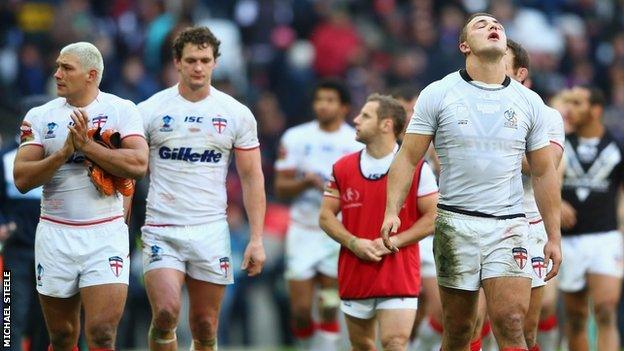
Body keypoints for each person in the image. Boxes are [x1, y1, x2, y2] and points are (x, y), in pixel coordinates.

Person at [381, 13, 562, 351]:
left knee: (511, 323)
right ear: (464, 45)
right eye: (481, 25)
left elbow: (543, 172)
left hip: (509, 225)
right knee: (461, 329)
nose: (493, 27)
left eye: (498, 26)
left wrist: (553, 235)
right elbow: (407, 157)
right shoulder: (438, 93)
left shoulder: (529, 102)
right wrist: (392, 209)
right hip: (455, 222)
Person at [13, 42, 149, 351]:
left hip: (105, 232)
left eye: (66, 68)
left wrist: (88, 148)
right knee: (61, 336)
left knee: (101, 332)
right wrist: (63, 153)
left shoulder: (121, 110)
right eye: (58, 66)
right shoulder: (39, 116)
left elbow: (139, 165)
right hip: (55, 231)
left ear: (91, 75)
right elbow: (22, 178)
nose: (57, 73)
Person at [138, 26, 266, 351]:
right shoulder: (149, 110)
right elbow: (129, 172)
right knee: (166, 313)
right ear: (177, 62)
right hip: (161, 228)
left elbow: (252, 177)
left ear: (215, 63)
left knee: (205, 326)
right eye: (191, 60)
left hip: (210, 229)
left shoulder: (236, 114)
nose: (198, 67)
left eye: (205, 60)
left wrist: (256, 239)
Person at [319, 94, 438, 351]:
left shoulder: (417, 168)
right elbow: (326, 216)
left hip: (398, 270)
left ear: (386, 125)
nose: (355, 120)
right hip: (355, 268)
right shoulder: (342, 167)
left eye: (365, 116)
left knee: (394, 342)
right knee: (361, 345)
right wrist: (353, 242)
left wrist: (393, 242)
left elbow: (434, 217)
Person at [274, 79, 362, 350]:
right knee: (300, 311)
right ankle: (306, 343)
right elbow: (280, 186)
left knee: (329, 303)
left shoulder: (356, 141)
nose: (323, 106)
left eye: (330, 100)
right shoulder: (296, 137)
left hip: (337, 231)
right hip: (302, 229)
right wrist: (305, 182)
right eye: (319, 100)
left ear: (344, 107)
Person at [502, 39, 565, 351]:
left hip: (528, 226)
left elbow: (546, 166)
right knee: (467, 325)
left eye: (502, 59)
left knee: (522, 328)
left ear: (520, 72)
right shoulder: (461, 104)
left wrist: (498, 149)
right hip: (474, 220)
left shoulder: (545, 114)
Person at [558, 85, 624, 351]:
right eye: (568, 102)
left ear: (595, 110)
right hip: (568, 240)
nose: (569, 109)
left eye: (577, 103)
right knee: (575, 319)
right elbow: (542, 181)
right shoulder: (559, 144)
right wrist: (557, 203)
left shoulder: (617, 146)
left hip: (605, 237)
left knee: (606, 311)